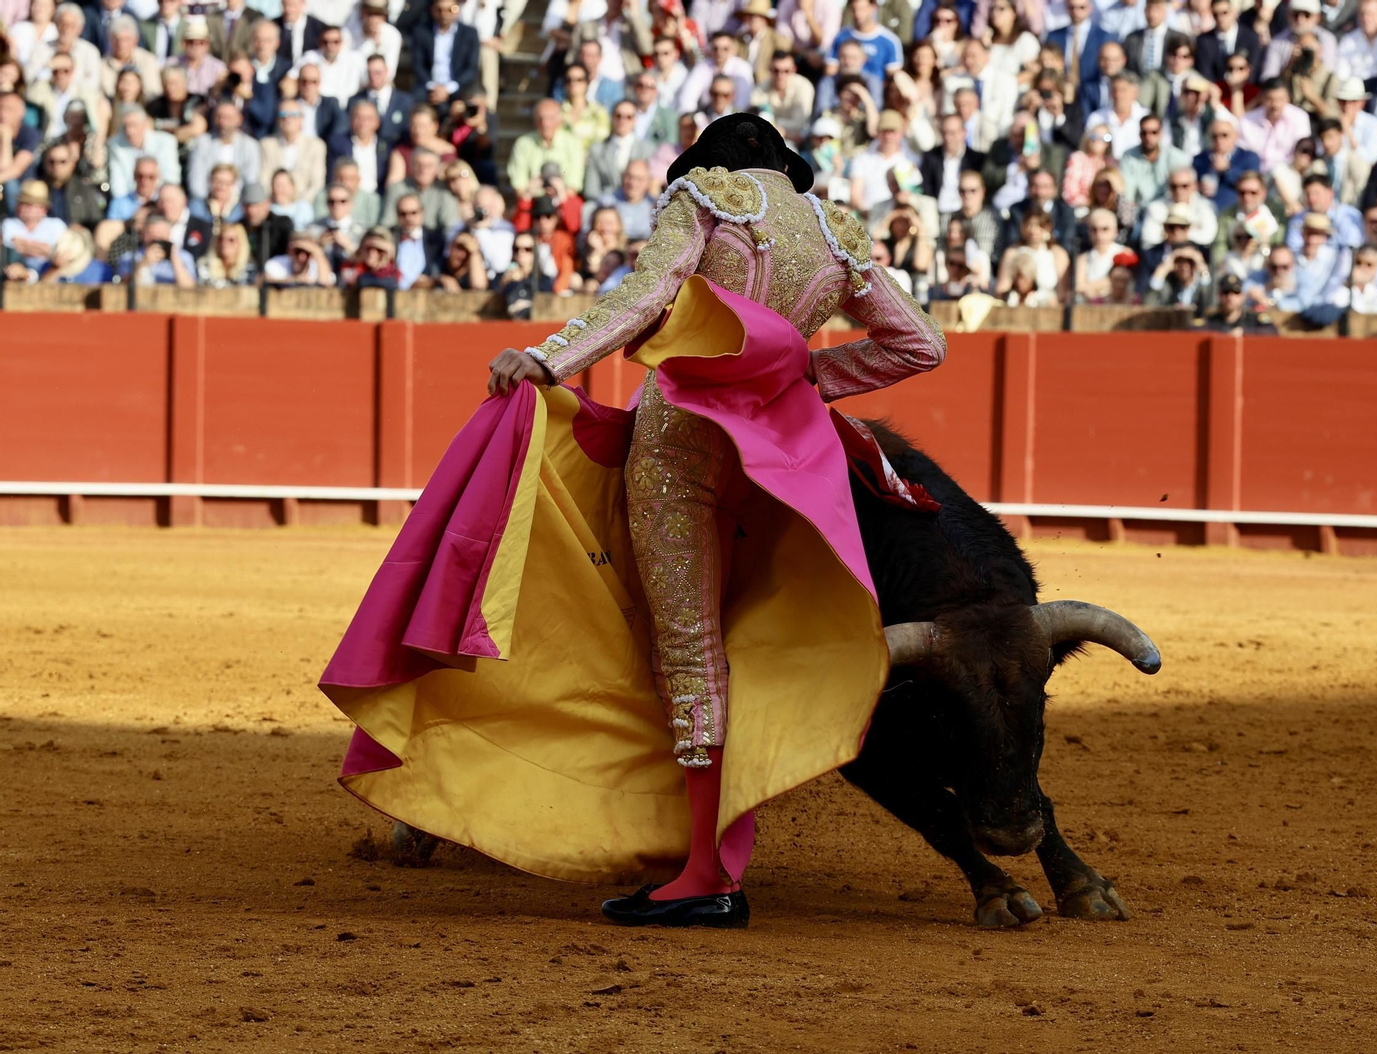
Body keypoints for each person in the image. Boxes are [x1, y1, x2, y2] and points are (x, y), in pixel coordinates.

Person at [324, 115, 945, 931]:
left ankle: (706, 874)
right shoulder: (837, 233)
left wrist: (549, 359)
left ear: (714, 163)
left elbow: (647, 294)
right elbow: (919, 344)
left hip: (679, 449)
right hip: (769, 464)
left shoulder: (709, 199)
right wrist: (793, 379)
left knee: (686, 645)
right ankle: (688, 838)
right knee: (732, 636)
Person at [1194, 271, 1279, 330]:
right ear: (1219, 295)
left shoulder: (1253, 320)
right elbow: (1194, 331)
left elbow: (1271, 332)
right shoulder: (1211, 321)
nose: (1230, 297)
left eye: (1235, 292)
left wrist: (1245, 333)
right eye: (1226, 292)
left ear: (1242, 296)